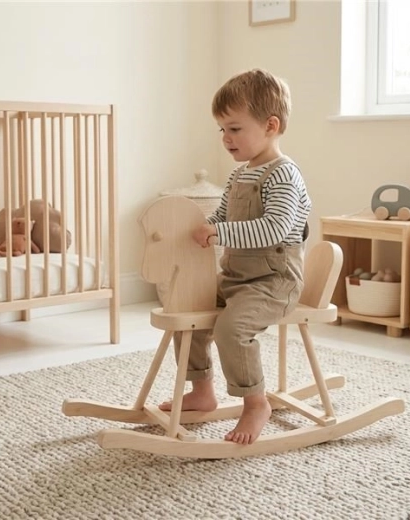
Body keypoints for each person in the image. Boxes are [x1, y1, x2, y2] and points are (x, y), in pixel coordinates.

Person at [160, 68, 312, 445]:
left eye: (235, 128)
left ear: (270, 125)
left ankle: (256, 402)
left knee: (232, 329)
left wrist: (219, 233)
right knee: (186, 306)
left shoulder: (284, 175)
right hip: (236, 277)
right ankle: (202, 389)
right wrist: (204, 226)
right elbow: (222, 216)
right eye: (222, 129)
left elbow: (275, 228)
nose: (226, 138)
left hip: (274, 282)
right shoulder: (239, 175)